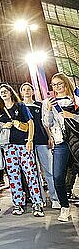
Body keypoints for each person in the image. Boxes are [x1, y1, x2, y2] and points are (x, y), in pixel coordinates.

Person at [0, 83, 44, 217]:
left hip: (23, 145)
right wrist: (4, 125)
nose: (4, 93)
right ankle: (18, 203)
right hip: (9, 147)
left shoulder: (20, 106)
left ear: (11, 93)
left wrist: (30, 140)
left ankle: (37, 203)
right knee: (13, 176)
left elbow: (31, 123)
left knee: (31, 174)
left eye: (6, 91)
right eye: (1, 92)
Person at [42, 73, 79, 222]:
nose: (57, 87)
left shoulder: (76, 99)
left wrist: (72, 116)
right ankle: (64, 206)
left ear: (65, 83)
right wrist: (50, 110)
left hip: (76, 140)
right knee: (57, 176)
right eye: (54, 84)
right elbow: (47, 122)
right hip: (60, 142)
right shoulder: (48, 102)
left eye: (59, 84)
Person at [19, 82, 60, 209]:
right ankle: (39, 198)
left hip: (42, 140)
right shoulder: (19, 106)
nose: (26, 91)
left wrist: (50, 136)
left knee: (49, 170)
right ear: (21, 92)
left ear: (32, 91)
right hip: (27, 143)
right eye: (24, 89)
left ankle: (55, 198)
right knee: (33, 172)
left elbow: (45, 122)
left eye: (29, 89)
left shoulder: (39, 105)